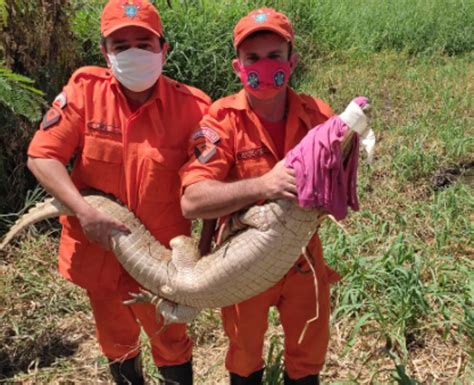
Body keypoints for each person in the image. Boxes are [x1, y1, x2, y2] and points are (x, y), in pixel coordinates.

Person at [26, 1, 210, 384]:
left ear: (164, 48)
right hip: (100, 252)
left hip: (160, 261)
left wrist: (205, 255)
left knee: (172, 343)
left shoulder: (194, 108)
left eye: (143, 43)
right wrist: (83, 210)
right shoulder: (84, 91)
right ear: (104, 51)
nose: (133, 53)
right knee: (117, 343)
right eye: (120, 45)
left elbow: (211, 183)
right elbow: (42, 156)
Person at [180, 8, 340, 385]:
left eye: (274, 56)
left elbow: (340, 191)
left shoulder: (320, 117)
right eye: (253, 58)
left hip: (303, 259)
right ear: (238, 66)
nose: (264, 66)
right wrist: (262, 185)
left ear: (292, 60)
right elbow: (193, 201)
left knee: (307, 357)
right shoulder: (221, 120)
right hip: (242, 261)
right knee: (244, 355)